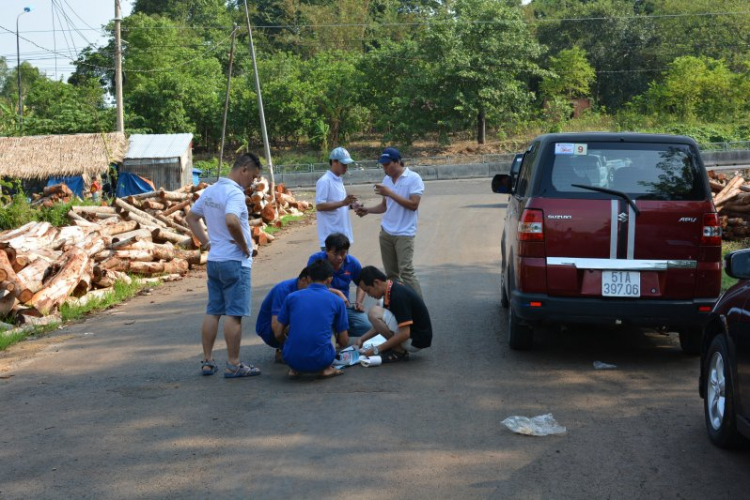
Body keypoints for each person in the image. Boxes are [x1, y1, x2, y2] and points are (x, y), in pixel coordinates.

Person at [186, 153, 262, 378]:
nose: (253, 183)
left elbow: (191, 217)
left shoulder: (211, 191)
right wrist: (244, 246)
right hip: (235, 261)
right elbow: (231, 220)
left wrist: (208, 242)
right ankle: (234, 363)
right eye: (253, 177)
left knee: (213, 310)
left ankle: (208, 361)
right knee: (234, 313)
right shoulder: (234, 193)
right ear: (244, 170)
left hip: (215, 260)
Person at [355, 147, 424, 298]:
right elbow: (385, 206)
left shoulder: (413, 178)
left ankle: (420, 307)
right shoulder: (387, 180)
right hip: (386, 232)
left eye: (387, 165)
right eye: (383, 165)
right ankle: (398, 305)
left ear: (397, 162)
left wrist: (390, 193)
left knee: (406, 271)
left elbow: (413, 205)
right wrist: (367, 210)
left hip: (405, 233)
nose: (385, 168)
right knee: (391, 275)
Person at [274, 259, 349, 379]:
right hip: (322, 360)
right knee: (330, 329)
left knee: (298, 327)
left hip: (290, 359)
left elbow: (278, 333)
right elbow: (344, 340)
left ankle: (294, 369)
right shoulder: (337, 300)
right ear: (330, 279)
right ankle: (326, 369)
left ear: (309, 278)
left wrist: (288, 344)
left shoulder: (291, 297)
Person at [355, 266, 432, 363]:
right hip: (415, 336)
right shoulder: (392, 287)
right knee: (379, 305)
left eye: (368, 290)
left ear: (376, 283)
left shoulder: (397, 296)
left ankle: (398, 351)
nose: (369, 295)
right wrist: (361, 339)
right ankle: (396, 347)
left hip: (415, 340)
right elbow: (380, 325)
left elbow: (405, 333)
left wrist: (377, 349)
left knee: (373, 312)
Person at [307, 232, 372, 337]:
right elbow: (309, 284)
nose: (339, 258)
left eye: (343, 253)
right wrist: (337, 293)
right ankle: (334, 331)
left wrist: (358, 302)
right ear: (327, 251)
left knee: (366, 326)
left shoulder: (352, 263)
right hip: (320, 305)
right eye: (335, 254)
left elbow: (362, 284)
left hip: (343, 306)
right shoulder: (316, 260)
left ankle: (339, 331)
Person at [255, 267, 312, 363]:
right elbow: (275, 326)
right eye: (312, 285)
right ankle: (286, 349)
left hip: (287, 323)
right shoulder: (283, 290)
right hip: (268, 329)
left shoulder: (304, 289)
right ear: (303, 280)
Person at [315, 147, 359, 251]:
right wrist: (344, 202)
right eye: (343, 164)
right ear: (334, 162)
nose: (346, 167)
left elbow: (338, 204)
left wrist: (351, 205)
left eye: (347, 165)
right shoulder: (325, 181)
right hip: (330, 238)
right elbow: (320, 206)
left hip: (342, 236)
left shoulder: (338, 180)